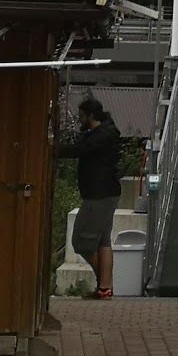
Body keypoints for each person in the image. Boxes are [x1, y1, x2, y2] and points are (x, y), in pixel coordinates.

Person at [71, 98, 122, 299]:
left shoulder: (100, 136)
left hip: (98, 194)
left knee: (81, 241)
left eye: (82, 116)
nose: (80, 120)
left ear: (90, 116)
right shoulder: (107, 132)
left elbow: (80, 149)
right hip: (108, 192)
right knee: (103, 240)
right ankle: (104, 289)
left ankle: (104, 282)